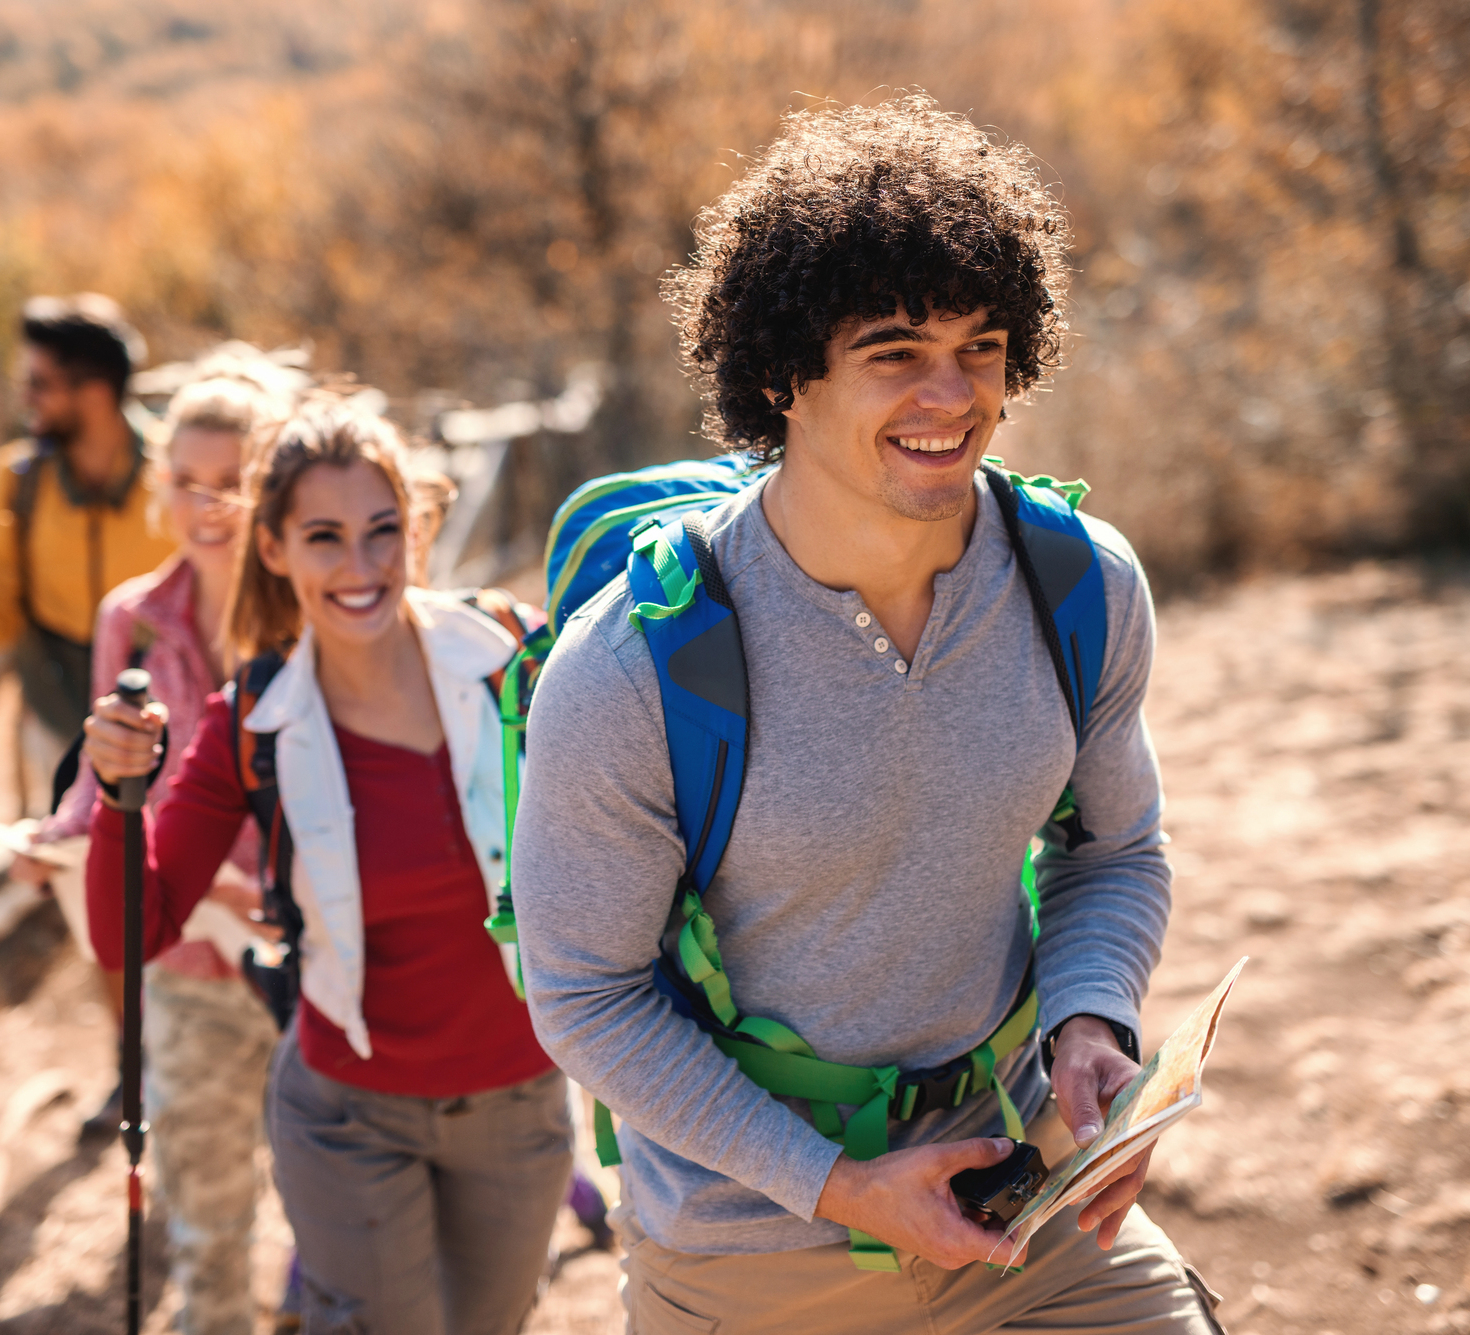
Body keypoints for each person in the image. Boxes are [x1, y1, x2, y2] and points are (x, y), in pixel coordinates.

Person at [509, 97, 1225, 1333]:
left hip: (1024, 1197)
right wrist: (840, 1186)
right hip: (754, 1244)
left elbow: (1111, 847)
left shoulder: (1080, 585)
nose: (949, 395)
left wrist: (1089, 1022)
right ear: (785, 373)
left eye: (982, 347)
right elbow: (585, 993)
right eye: (893, 350)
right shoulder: (632, 665)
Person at [82, 398, 574, 1335]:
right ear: (272, 547)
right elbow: (128, 931)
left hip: (518, 1101)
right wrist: (115, 798)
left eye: (383, 531)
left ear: (417, 530)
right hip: (349, 1114)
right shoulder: (250, 722)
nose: (361, 567)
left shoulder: (516, 659)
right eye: (325, 537)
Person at [19, 372, 291, 1335]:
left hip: (315, 946)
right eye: (185, 478)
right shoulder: (129, 616)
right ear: (158, 486)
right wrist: (53, 836)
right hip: (187, 949)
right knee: (206, 1206)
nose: (205, 503)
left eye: (233, 478)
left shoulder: (315, 607)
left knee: (326, 1204)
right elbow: (106, 778)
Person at [0, 293, 176, 1123]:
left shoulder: (173, 471)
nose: (27, 398)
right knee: (94, 894)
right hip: (54, 713)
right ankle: (133, 1063)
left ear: (92, 388)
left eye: (41, 383)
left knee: (185, 883)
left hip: (165, 712)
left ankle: (201, 1050)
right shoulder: (18, 478)